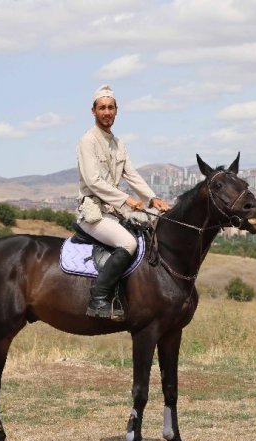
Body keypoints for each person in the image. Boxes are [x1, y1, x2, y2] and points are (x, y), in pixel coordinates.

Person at [76, 84, 171, 321]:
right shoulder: (87, 141)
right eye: (102, 108)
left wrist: (152, 199)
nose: (106, 112)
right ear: (93, 111)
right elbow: (93, 181)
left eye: (110, 108)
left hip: (114, 212)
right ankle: (98, 299)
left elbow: (131, 174)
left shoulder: (118, 143)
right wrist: (127, 199)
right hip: (94, 213)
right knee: (128, 243)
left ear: (117, 110)